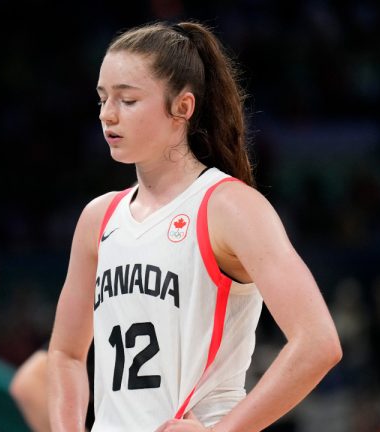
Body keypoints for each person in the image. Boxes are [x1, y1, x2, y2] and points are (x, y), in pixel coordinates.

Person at [46, 20, 342, 432]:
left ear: (182, 108)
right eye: (102, 99)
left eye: (127, 100)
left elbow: (318, 342)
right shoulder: (98, 218)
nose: (107, 115)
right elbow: (65, 354)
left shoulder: (229, 207)